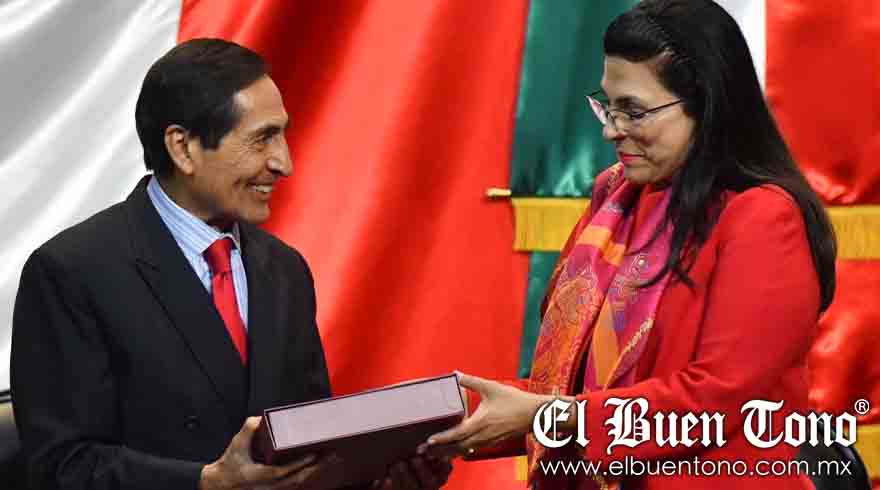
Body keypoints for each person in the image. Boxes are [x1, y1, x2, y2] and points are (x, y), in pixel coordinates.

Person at [423, 1, 837, 489]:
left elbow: (716, 402)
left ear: (708, 106)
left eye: (633, 111)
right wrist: (443, 425)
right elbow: (571, 382)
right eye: (608, 104)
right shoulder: (616, 198)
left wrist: (549, 417)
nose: (610, 129)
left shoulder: (763, 219)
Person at [11, 38, 450, 490]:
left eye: (282, 134)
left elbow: (307, 454)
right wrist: (206, 483)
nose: (284, 163)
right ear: (183, 148)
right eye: (262, 138)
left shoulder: (285, 271)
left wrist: (378, 479)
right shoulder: (72, 272)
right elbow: (60, 467)